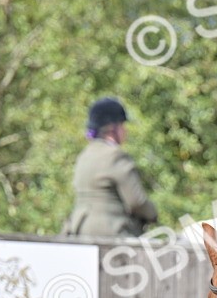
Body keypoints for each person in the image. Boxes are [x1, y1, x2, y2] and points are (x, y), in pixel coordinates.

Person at [62, 97, 158, 237]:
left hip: (79, 231)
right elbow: (136, 202)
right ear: (113, 128)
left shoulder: (84, 155)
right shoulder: (116, 156)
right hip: (112, 233)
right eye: (123, 125)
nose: (125, 131)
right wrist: (153, 213)